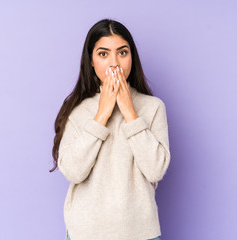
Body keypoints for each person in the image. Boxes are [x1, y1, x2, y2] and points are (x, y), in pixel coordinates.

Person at [50, 18, 170, 240]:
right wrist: (101, 115)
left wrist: (130, 114)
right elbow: (74, 172)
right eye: (103, 54)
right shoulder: (76, 110)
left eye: (122, 53)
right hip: (85, 234)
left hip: (141, 234)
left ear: (132, 57)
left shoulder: (153, 108)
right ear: (91, 61)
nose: (114, 63)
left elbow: (155, 170)